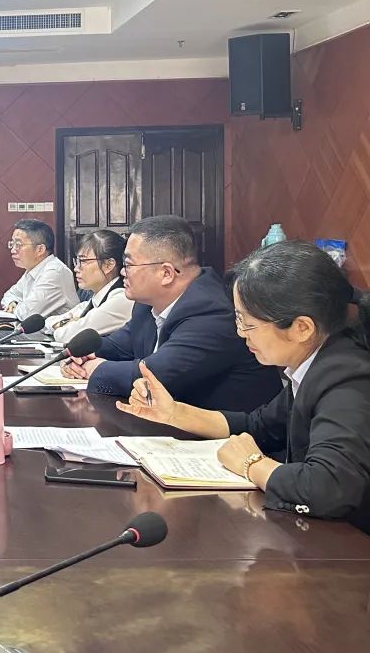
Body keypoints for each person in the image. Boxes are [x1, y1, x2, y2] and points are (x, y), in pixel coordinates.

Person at [117, 241, 370, 534]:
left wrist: (252, 464)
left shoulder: (346, 379)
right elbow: (258, 426)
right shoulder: (314, 365)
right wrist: (174, 413)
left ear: (302, 328)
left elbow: (329, 487)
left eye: (248, 323)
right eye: (238, 319)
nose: (240, 333)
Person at [63, 215, 280, 411]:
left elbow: (154, 377)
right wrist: (80, 356)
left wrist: (94, 368)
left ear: (166, 273)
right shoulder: (146, 304)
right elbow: (117, 346)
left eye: (128, 264)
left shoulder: (212, 312)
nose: (122, 272)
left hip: (232, 436)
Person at [45, 230, 133, 343]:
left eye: (83, 261)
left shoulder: (121, 299)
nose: (76, 268)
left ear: (108, 265)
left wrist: (65, 325)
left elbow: (67, 336)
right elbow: (48, 322)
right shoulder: (94, 300)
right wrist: (65, 324)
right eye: (76, 261)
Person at [0, 219, 77, 319]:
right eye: (12, 244)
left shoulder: (54, 272)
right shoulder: (33, 269)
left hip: (59, 329)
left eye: (18, 245)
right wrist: (13, 303)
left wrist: (15, 307)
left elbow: (27, 314)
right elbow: (9, 295)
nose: (13, 250)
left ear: (40, 249)